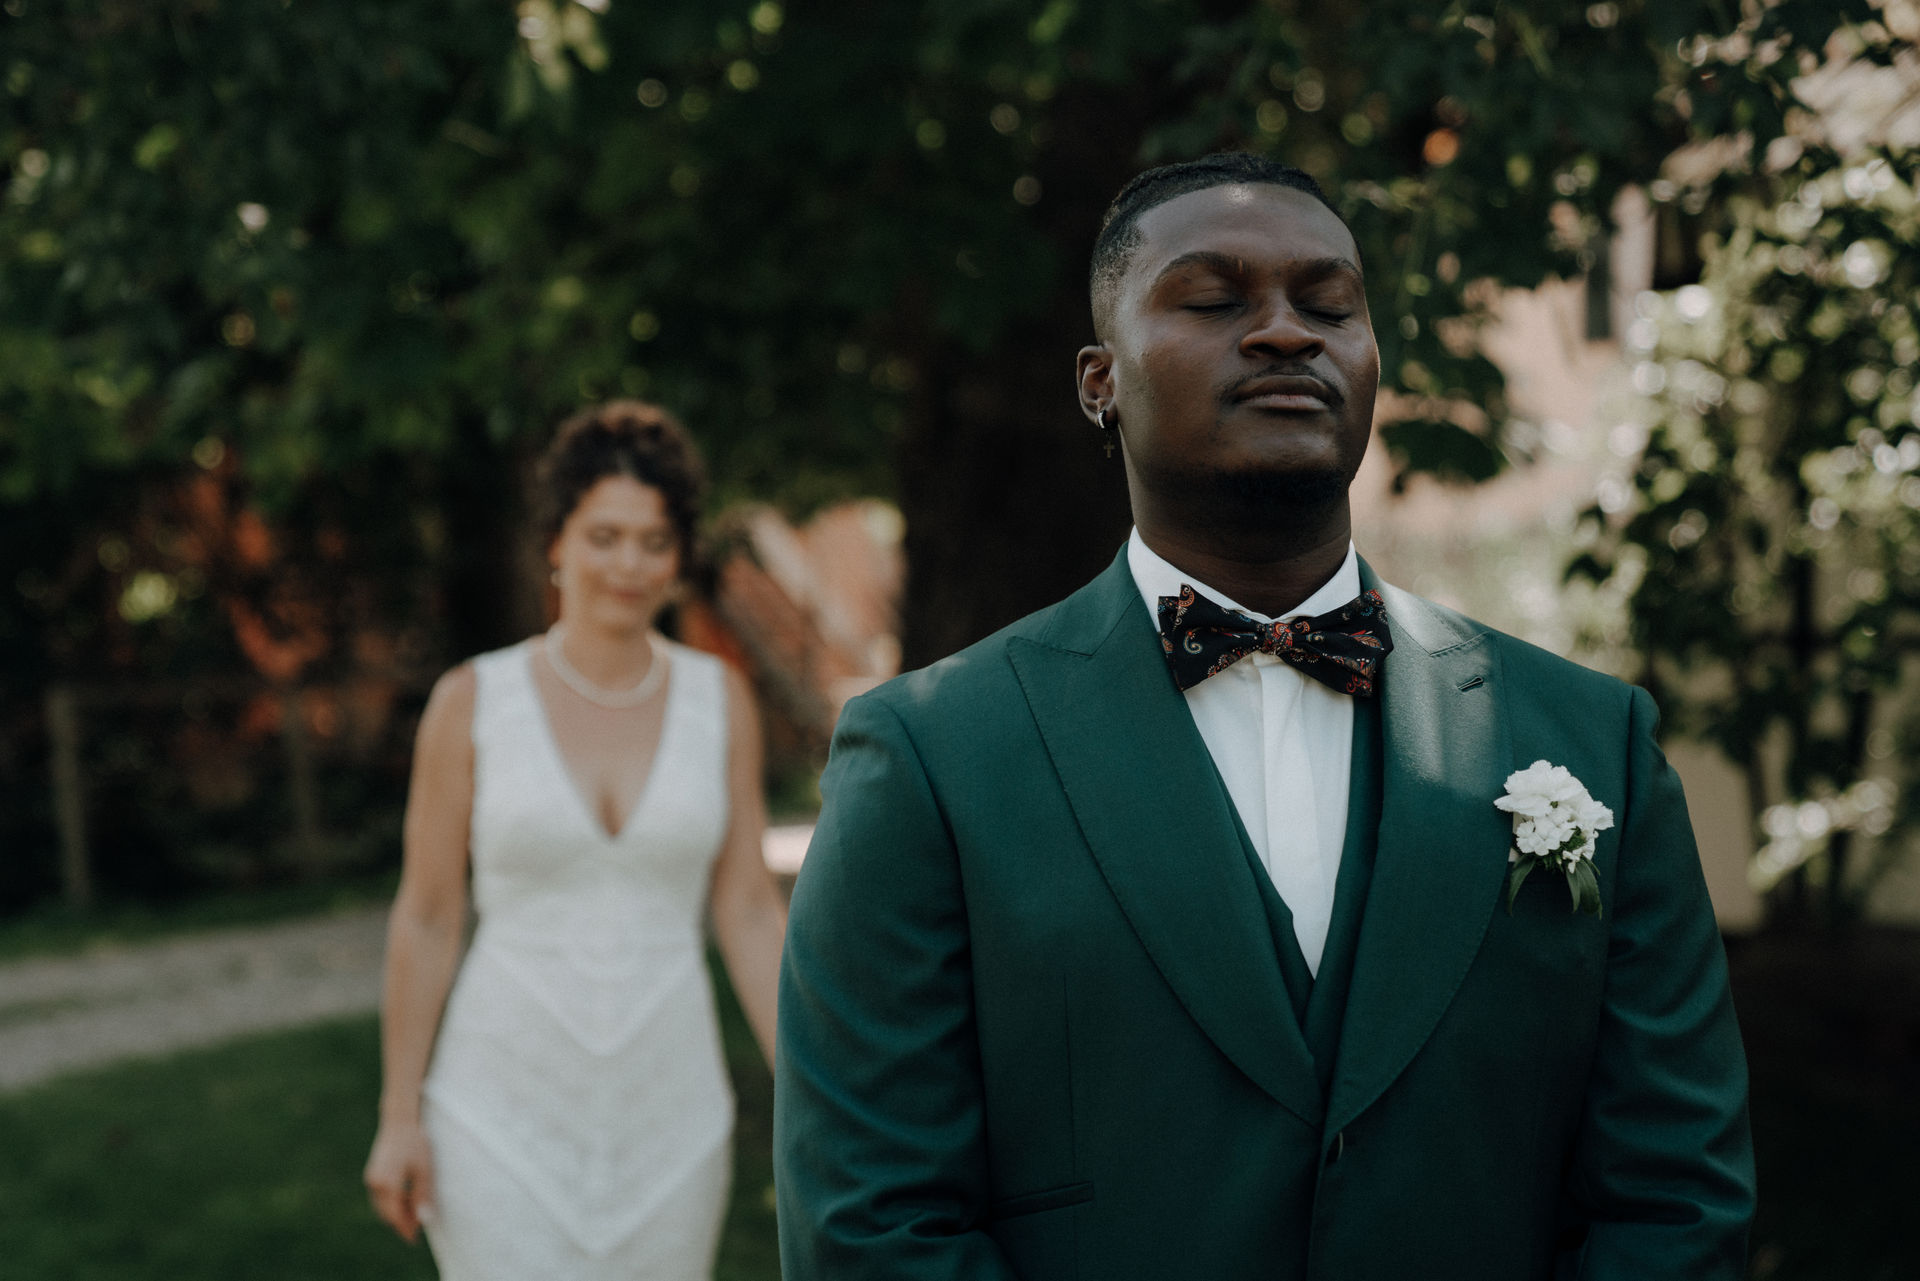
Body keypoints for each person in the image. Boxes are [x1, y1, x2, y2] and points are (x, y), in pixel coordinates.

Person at [774, 154, 1754, 1280]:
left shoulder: (1595, 744)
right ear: (1099, 380)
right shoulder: (933, 756)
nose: (1288, 332)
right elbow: (873, 1226)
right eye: (1214, 299)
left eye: (1329, 304)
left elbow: (1677, 1194)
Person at [364, 401, 788, 1279]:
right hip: (497, 1111)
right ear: (556, 542)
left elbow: (748, 909)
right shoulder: (471, 702)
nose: (628, 564)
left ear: (679, 559)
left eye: (654, 541)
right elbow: (429, 918)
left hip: (670, 1111)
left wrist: (813, 1086)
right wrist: (399, 1114)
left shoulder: (722, 701)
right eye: (604, 535)